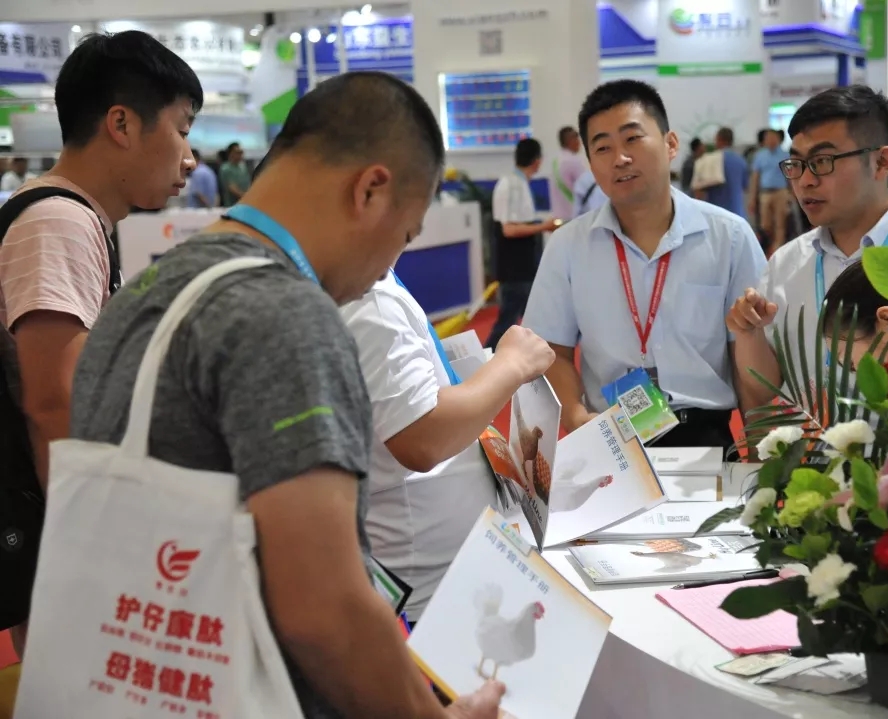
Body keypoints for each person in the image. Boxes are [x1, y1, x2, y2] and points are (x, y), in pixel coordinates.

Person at [69, 71, 503, 719]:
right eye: (406, 235)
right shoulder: (288, 315)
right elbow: (322, 608)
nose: (388, 265)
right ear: (370, 189)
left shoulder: (147, 292)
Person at [0, 30, 201, 657]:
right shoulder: (58, 221)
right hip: (57, 530)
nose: (190, 159)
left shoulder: (77, 218)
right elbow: (52, 402)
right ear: (122, 123)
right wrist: (92, 549)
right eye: (182, 129)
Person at [522, 80, 767, 447]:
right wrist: (574, 415)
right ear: (591, 163)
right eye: (603, 148)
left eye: (632, 139)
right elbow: (551, 350)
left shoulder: (729, 237)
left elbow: (747, 353)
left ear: (671, 144)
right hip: (610, 435)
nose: (620, 158)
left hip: (705, 436)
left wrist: (761, 448)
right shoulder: (568, 246)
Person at [727, 85, 888, 413]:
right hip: (808, 443)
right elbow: (766, 390)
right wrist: (749, 333)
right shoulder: (787, 264)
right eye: (796, 164)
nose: (805, 181)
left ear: (880, 162)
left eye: (822, 161)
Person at [340, 272, 554, 620]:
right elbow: (423, 437)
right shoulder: (371, 301)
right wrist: (513, 363)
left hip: (441, 576)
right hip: (427, 594)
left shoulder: (374, 288)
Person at [486, 137, 558, 349]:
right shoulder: (511, 185)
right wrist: (543, 227)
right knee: (508, 320)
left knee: (527, 317)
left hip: (523, 265)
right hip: (514, 266)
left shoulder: (519, 183)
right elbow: (509, 230)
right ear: (537, 160)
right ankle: (484, 357)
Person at [748, 129, 791, 255]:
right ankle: (768, 248)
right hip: (765, 193)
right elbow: (755, 178)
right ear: (765, 140)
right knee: (765, 225)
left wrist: (792, 193)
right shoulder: (760, 156)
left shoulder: (785, 155)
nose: (771, 140)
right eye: (768, 138)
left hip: (781, 192)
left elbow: (790, 175)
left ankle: (778, 250)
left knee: (780, 223)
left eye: (774, 137)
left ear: (778, 139)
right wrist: (752, 198)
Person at [699, 127, 749, 219]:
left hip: (716, 213)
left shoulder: (710, 160)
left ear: (719, 139)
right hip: (736, 212)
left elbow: (701, 188)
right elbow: (745, 186)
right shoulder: (741, 161)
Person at [549, 126, 586, 221]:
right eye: (577, 138)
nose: (579, 142)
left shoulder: (555, 161)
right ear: (570, 140)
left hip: (557, 217)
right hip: (572, 216)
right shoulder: (574, 161)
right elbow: (586, 188)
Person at [219, 141, 251, 205]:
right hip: (233, 205)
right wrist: (248, 198)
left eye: (241, 152)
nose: (240, 155)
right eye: (237, 152)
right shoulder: (226, 168)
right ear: (230, 153)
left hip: (245, 203)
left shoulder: (242, 167)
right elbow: (232, 188)